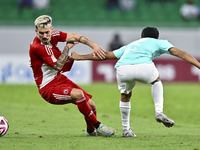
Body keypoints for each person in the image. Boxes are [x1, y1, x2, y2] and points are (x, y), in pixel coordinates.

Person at [70, 27, 200, 137]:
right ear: (156, 37)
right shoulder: (159, 42)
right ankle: (159, 112)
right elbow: (181, 53)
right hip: (144, 66)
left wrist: (80, 57)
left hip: (123, 68)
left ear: (141, 36)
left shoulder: (132, 44)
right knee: (156, 80)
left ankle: (126, 130)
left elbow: (107, 55)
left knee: (125, 96)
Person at [29, 15, 116, 137]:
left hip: (59, 79)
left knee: (91, 104)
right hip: (48, 88)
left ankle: (90, 131)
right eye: (41, 33)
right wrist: (67, 48)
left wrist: (93, 45)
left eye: (47, 32)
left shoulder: (54, 36)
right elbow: (58, 66)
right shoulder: (37, 47)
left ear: (51, 30)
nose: (44, 36)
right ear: (36, 31)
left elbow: (76, 36)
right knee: (78, 94)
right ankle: (98, 126)